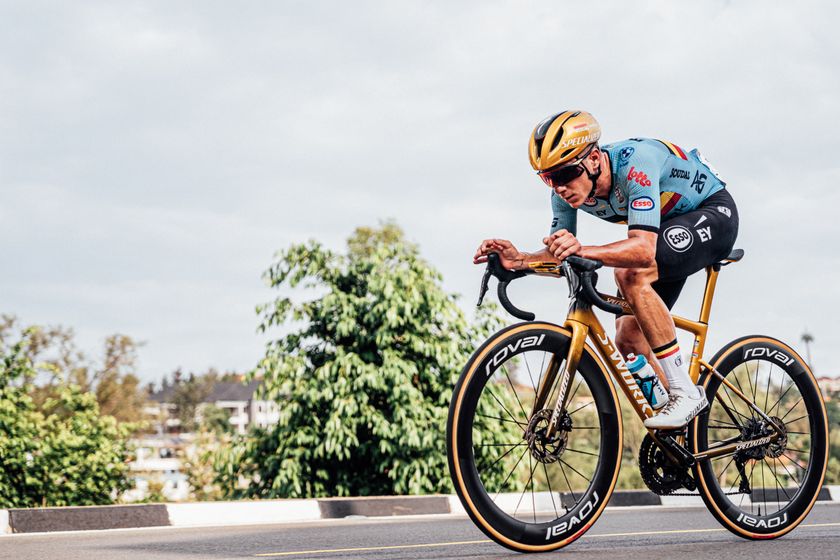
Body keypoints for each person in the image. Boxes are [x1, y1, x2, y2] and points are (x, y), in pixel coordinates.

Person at [474, 110, 739, 429]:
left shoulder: (635, 165)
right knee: (628, 338)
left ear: (595, 159)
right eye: (548, 178)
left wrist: (585, 250)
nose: (558, 187)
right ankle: (681, 432)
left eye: (565, 174)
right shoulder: (565, 196)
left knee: (630, 273)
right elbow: (563, 255)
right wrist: (520, 260)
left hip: (712, 213)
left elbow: (643, 250)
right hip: (665, 229)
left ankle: (685, 391)